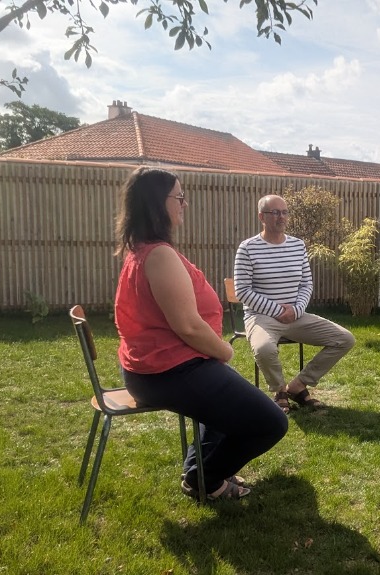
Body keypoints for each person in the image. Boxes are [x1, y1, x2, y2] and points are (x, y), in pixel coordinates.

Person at [113, 167, 287, 501]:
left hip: (165, 367)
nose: (185, 204)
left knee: (227, 404)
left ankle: (199, 472)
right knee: (272, 423)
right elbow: (188, 326)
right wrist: (224, 351)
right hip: (168, 371)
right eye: (179, 197)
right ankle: (205, 480)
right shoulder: (159, 254)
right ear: (156, 203)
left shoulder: (144, 248)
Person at [234, 194, 356, 414]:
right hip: (261, 316)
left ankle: (298, 386)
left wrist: (296, 309)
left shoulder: (297, 246)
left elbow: (306, 284)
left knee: (344, 339)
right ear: (262, 216)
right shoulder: (247, 248)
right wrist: (277, 310)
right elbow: (242, 291)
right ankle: (279, 390)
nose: (281, 217)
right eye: (275, 212)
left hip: (296, 315)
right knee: (264, 349)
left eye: (284, 212)